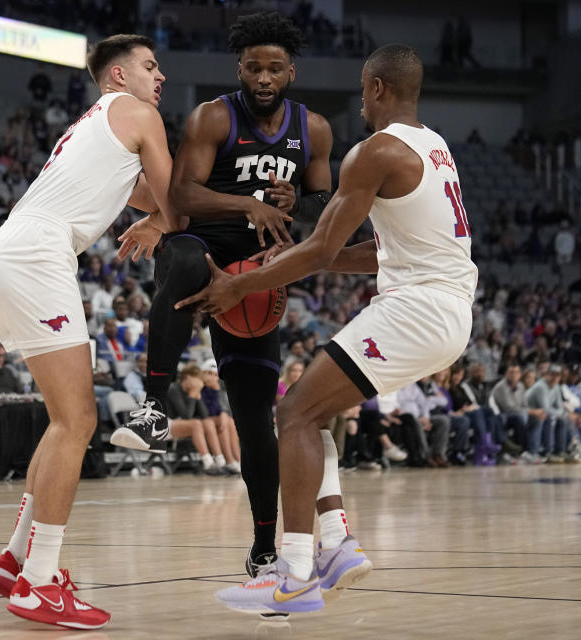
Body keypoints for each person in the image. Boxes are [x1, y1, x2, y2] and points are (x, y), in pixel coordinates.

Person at [177, 44, 476, 614]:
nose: (361, 103)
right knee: (312, 411)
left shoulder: (373, 153)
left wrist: (238, 286)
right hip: (447, 309)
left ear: (379, 89)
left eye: (364, 91)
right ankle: (336, 543)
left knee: (293, 414)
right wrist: (315, 254)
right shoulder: (435, 148)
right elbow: (370, 251)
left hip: (418, 309)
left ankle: (292, 575)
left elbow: (319, 249)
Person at [112, 12, 344, 582]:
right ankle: (154, 410)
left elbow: (326, 212)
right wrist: (248, 205)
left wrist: (297, 205)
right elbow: (183, 194)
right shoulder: (213, 116)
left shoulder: (313, 129)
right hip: (200, 244)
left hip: (257, 278)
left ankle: (265, 545)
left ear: (290, 71)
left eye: (274, 68)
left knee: (255, 417)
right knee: (185, 259)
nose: (263, 77)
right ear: (239, 68)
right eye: (253, 67)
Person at [0, 34, 177, 629]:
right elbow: (175, 203)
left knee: (62, 420)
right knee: (79, 422)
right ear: (117, 76)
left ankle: (18, 558)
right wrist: (163, 221)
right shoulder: (139, 114)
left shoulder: (100, 124)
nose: (160, 76)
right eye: (149, 66)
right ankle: (39, 583)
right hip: (39, 252)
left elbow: (149, 197)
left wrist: (154, 217)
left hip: (12, 248)